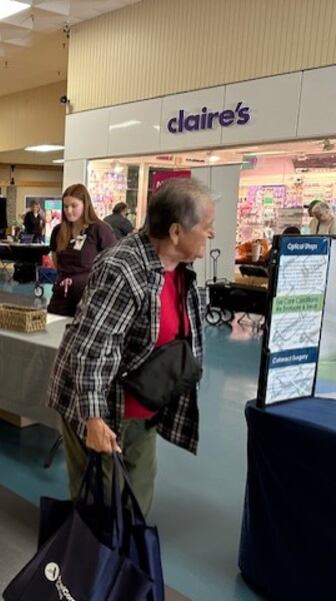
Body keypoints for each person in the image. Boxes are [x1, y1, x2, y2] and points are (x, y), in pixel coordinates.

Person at [48, 177, 214, 517]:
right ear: (176, 232)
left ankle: (124, 548)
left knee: (135, 502)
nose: (212, 233)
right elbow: (91, 348)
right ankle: (93, 549)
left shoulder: (178, 266)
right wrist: (93, 419)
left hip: (144, 406)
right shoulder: (123, 268)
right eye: (206, 225)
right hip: (103, 406)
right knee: (101, 506)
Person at [47, 184, 116, 317]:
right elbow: (56, 261)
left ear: (85, 205)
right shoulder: (58, 231)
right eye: (66, 206)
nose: (69, 211)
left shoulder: (100, 230)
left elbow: (112, 265)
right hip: (61, 294)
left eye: (74, 206)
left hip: (89, 298)